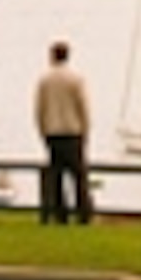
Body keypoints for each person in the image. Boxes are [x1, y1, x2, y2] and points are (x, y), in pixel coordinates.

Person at [34, 37, 93, 224]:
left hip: (53, 133)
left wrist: (43, 131)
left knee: (56, 177)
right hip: (73, 132)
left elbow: (39, 109)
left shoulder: (44, 81)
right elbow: (82, 106)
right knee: (79, 176)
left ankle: (61, 214)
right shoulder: (75, 79)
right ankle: (83, 213)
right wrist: (85, 130)